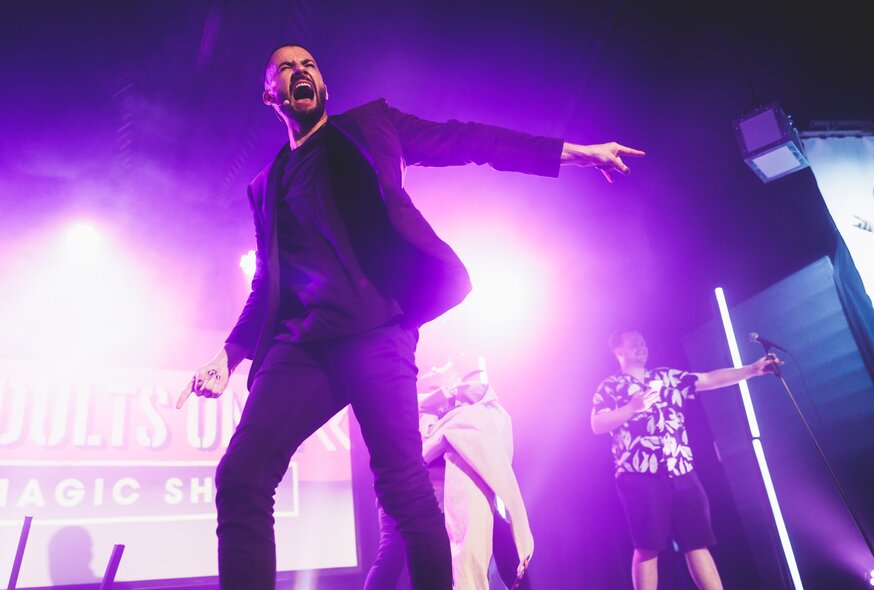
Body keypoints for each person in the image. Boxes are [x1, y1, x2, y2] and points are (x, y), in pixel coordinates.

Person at [176, 43, 645, 590]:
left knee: (403, 491)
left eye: (309, 65)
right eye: (285, 67)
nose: (299, 71)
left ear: (322, 85)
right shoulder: (265, 186)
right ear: (269, 94)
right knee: (240, 477)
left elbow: (470, 140)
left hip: (376, 330)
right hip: (302, 346)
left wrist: (574, 153)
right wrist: (228, 355)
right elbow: (266, 285)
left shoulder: (371, 126)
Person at [591, 330, 779, 590]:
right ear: (618, 351)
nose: (642, 347)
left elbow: (708, 379)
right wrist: (632, 408)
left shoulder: (666, 376)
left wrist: (751, 370)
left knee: (696, 541)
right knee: (647, 545)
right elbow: (597, 424)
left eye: (644, 343)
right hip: (640, 474)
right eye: (635, 344)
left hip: (681, 470)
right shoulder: (610, 386)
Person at [365, 367, 533, 590]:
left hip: (432, 498)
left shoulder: (461, 418)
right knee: (392, 554)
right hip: (401, 497)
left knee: (501, 537)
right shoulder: (414, 415)